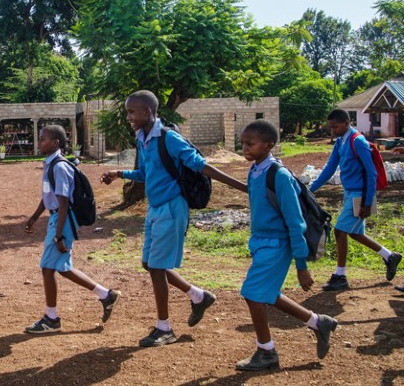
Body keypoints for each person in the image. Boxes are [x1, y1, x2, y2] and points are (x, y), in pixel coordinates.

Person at [100, 90, 248, 347]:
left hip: (172, 207)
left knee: (156, 267)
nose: (128, 117)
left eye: (132, 112)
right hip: (155, 209)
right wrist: (119, 173)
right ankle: (198, 296)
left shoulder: (169, 138)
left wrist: (243, 187)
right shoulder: (143, 139)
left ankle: (164, 328)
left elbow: (201, 165)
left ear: (147, 111)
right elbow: (146, 173)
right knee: (149, 264)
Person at [235, 119, 338, 371]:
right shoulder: (256, 169)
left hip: (277, 244)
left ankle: (266, 351)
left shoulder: (278, 175)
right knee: (268, 294)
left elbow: (296, 223)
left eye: (250, 144)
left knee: (251, 293)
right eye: (243, 144)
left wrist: (301, 266)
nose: (245, 149)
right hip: (262, 244)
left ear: (269, 145)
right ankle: (317, 322)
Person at [24, 124, 120, 334]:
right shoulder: (50, 165)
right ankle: (106, 295)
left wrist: (59, 235)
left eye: (43, 139)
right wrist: (34, 217)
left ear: (55, 143)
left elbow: (64, 202)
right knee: (62, 268)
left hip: (63, 219)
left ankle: (51, 318)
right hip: (58, 217)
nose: (39, 142)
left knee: (48, 269)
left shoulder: (60, 167)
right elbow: (48, 196)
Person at [309, 109, 401, 290]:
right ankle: (390, 256)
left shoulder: (357, 141)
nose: (333, 130)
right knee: (354, 233)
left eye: (335, 126)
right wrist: (310, 190)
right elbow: (329, 169)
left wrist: (367, 202)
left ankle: (340, 276)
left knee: (339, 231)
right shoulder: (340, 142)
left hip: (361, 194)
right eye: (331, 127)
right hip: (349, 193)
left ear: (346, 123)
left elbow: (371, 173)